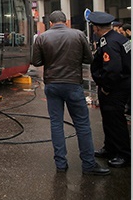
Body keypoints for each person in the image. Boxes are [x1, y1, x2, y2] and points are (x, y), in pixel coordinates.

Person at [31, 11, 110, 175]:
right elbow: (89, 59)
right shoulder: (78, 35)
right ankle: (88, 165)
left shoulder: (42, 37)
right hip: (73, 84)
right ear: (65, 21)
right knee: (82, 125)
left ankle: (61, 164)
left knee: (56, 124)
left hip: (52, 85)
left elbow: (36, 61)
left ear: (51, 23)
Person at [88, 11, 131, 168]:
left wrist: (106, 87)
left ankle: (123, 154)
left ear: (97, 28)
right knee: (109, 119)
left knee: (116, 121)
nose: (93, 30)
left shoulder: (109, 43)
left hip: (115, 88)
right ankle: (110, 148)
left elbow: (112, 69)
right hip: (122, 84)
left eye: (94, 27)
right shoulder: (119, 38)